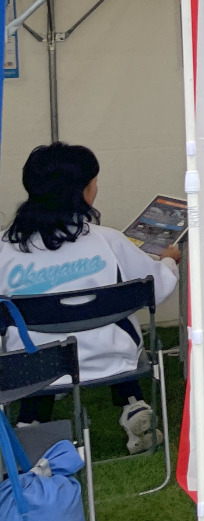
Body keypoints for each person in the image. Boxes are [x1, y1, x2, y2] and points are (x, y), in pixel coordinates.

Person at [0, 143, 180, 452]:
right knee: (112, 326)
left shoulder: (5, 248)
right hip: (111, 359)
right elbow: (158, 287)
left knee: (39, 344)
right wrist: (168, 261)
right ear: (83, 192)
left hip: (31, 367)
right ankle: (133, 404)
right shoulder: (108, 241)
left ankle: (30, 422)